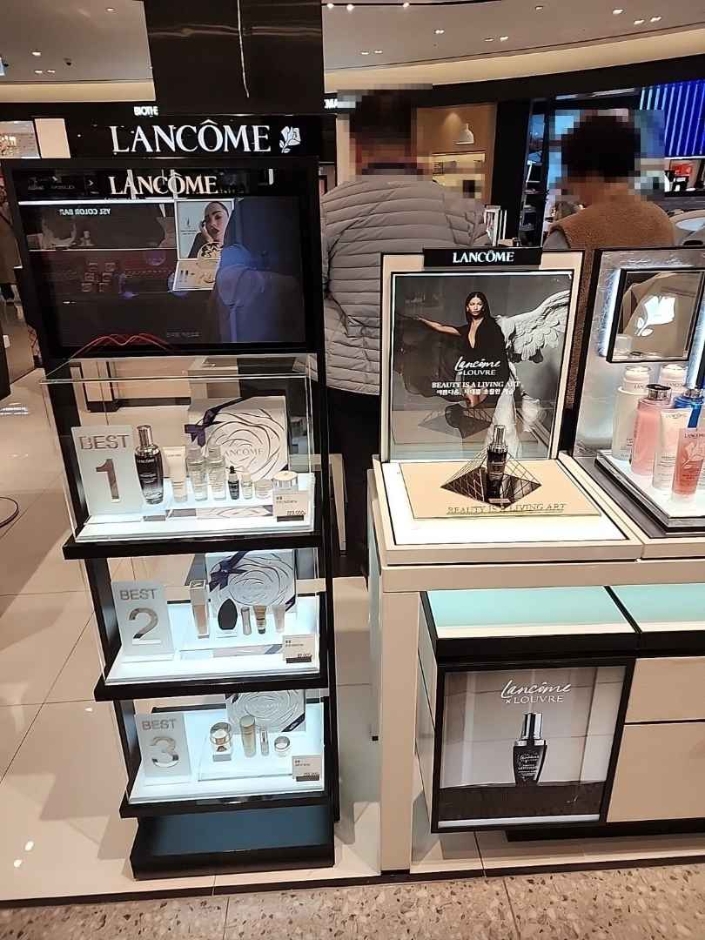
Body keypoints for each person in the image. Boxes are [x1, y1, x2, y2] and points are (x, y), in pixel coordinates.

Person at [320, 92, 487, 568]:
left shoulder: (333, 207)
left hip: (354, 377)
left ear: (356, 145)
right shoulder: (460, 209)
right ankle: (429, 564)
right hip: (435, 370)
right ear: (414, 143)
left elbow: (311, 291)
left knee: (362, 476)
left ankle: (366, 568)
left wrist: (346, 330)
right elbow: (481, 291)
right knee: (429, 466)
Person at [543, 114, 675, 410]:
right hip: (642, 371)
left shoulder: (572, 231)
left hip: (578, 379)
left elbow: (551, 312)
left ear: (586, 170)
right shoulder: (661, 221)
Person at [417, 291, 511, 408]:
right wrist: (422, 321)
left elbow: (499, 353)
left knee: (481, 406)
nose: (475, 307)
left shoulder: (492, 327)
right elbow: (440, 327)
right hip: (470, 373)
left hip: (488, 373)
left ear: (483, 307)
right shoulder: (466, 330)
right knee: (472, 405)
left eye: (479, 304)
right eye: (472, 304)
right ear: (467, 308)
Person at [0, 179, 20, 303]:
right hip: (5, 244)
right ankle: (8, 296)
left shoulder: (9, 206)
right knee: (3, 273)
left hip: (11, 242)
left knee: (15, 269)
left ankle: (19, 293)